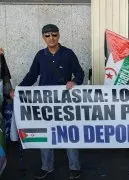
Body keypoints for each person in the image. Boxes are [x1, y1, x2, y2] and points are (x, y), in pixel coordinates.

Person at [10, 24, 84, 180]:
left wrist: (75, 82)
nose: (51, 38)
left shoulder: (68, 54)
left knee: (69, 134)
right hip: (44, 103)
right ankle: (47, 167)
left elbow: (79, 72)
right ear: (43, 37)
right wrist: (19, 89)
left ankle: (75, 168)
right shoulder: (40, 55)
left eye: (54, 35)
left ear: (59, 35)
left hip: (65, 102)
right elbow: (32, 76)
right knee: (46, 134)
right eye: (47, 36)